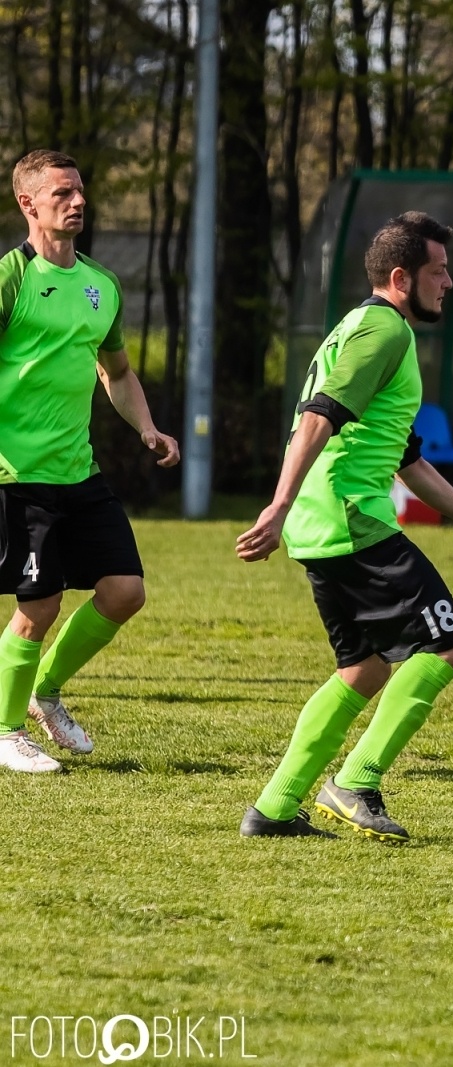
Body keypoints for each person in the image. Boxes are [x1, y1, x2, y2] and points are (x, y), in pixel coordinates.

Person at [236, 211, 453, 841]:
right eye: (438, 271)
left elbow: (406, 458)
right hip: (349, 517)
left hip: (325, 523)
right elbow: (319, 415)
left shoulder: (360, 327)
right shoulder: (385, 332)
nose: (448, 282)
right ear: (402, 277)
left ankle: (275, 807)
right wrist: (278, 504)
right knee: (452, 644)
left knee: (363, 669)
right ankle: (356, 783)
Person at [0, 149, 181, 775]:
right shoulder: (10, 278)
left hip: (80, 470)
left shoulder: (102, 286)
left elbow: (118, 372)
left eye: (80, 191)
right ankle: (4, 730)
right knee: (39, 604)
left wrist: (148, 428)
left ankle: (45, 693)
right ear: (29, 204)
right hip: (18, 475)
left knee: (125, 590)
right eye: (61, 194)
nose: (77, 202)